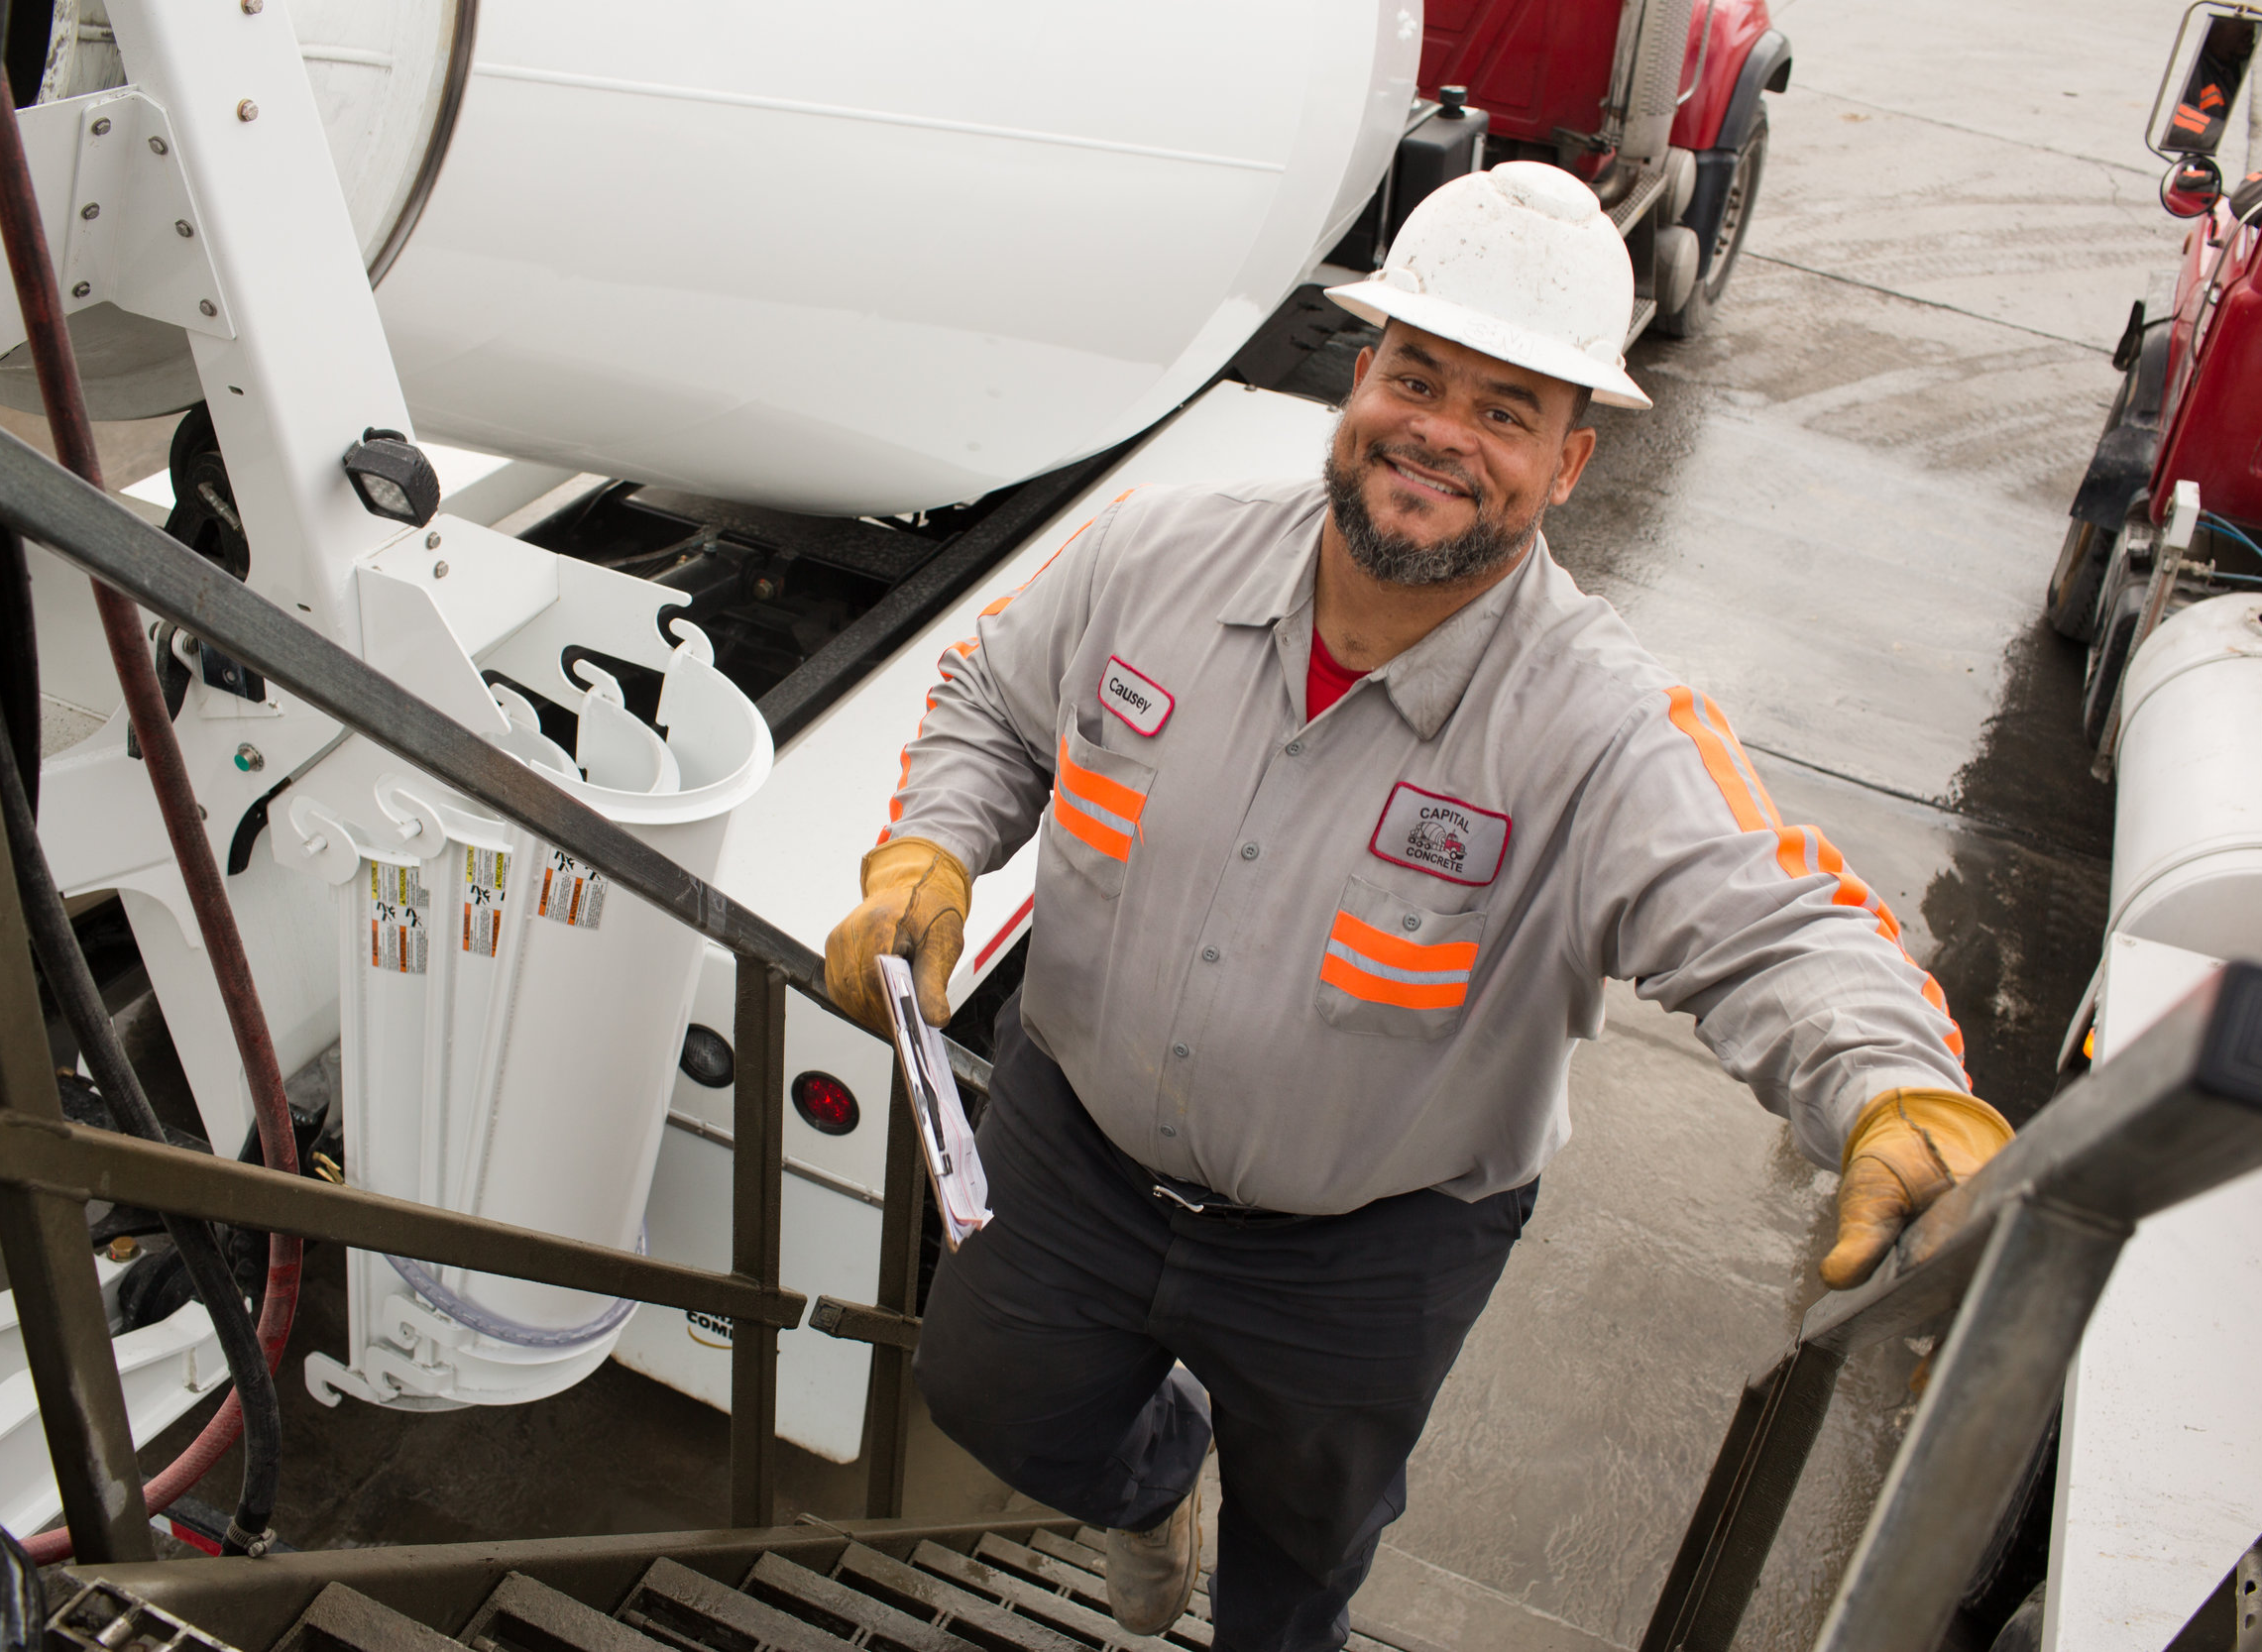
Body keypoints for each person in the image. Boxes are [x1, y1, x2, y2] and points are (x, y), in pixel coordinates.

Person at [823, 162, 2012, 1652]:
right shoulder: (1152, 560)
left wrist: (1894, 1088)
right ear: (1360, 377)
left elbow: (1778, 922)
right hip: (1071, 1153)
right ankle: (1150, 1480)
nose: (1441, 432)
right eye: (1417, 374)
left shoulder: (1600, 726)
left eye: (1507, 410)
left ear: (1571, 465)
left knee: (1304, 1549)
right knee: (989, 1399)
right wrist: (931, 853)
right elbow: (994, 702)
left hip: (1370, 1252)